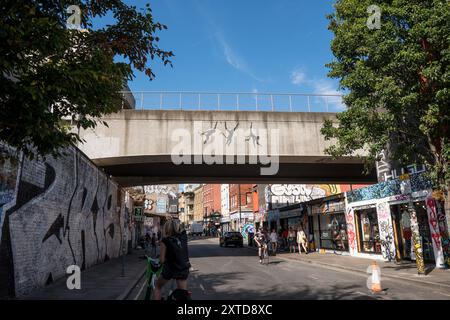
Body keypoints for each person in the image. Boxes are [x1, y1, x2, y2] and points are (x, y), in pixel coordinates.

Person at [153, 219, 191, 300]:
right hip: (183, 268)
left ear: (166, 229)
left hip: (170, 269)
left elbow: (162, 260)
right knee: (183, 295)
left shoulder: (165, 241)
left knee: (157, 286)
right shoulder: (183, 237)